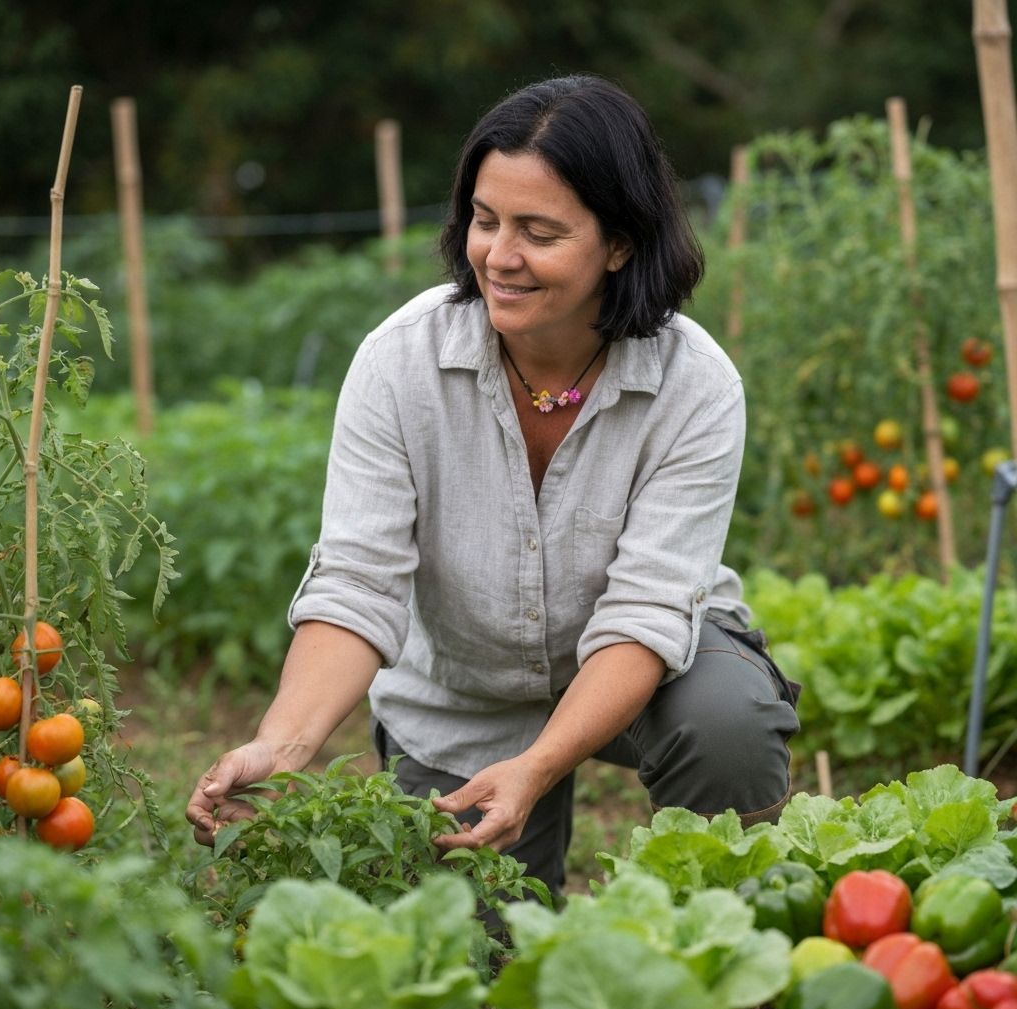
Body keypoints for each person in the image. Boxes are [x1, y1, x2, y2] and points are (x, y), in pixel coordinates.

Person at [186, 74, 801, 897]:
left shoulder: (694, 384)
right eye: (485, 220)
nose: (499, 257)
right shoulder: (401, 362)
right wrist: (282, 748)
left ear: (619, 243)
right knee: (477, 947)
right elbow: (358, 583)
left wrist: (539, 766)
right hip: (462, 697)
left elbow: (648, 611)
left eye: (539, 232)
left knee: (727, 724)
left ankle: (714, 929)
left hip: (648, 672)